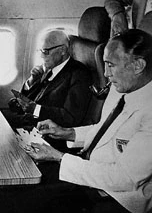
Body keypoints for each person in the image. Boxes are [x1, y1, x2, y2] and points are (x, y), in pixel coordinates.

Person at [13, 29, 152, 213]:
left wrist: (59, 157)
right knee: (23, 185)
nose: (106, 73)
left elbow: (123, 178)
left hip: (116, 197)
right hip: (89, 170)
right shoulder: (120, 88)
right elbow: (104, 128)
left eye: (111, 65)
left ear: (138, 65)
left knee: (29, 199)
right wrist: (66, 132)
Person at [8, 30, 92, 150]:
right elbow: (29, 98)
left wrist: (35, 109)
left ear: (62, 50)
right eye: (41, 51)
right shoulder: (51, 68)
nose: (42, 56)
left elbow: (71, 117)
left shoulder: (79, 74)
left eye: (46, 51)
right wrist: (31, 81)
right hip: (30, 122)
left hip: (48, 135)